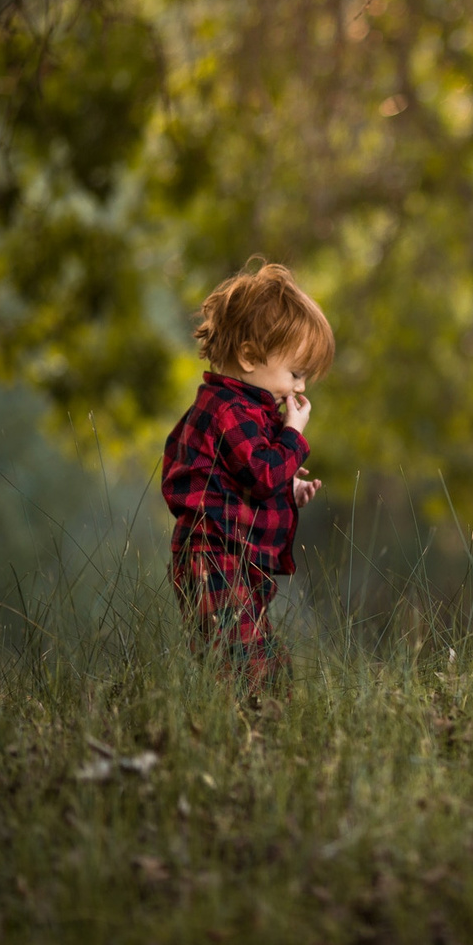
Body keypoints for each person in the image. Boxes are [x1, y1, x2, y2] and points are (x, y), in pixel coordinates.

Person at [162, 259, 334, 694]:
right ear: (250, 356)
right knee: (244, 667)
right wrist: (293, 437)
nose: (299, 389)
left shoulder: (246, 412)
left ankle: (254, 737)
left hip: (237, 558)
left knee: (263, 663)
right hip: (213, 557)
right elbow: (260, 473)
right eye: (295, 374)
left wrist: (288, 490)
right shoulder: (229, 411)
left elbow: (243, 479)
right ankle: (243, 739)